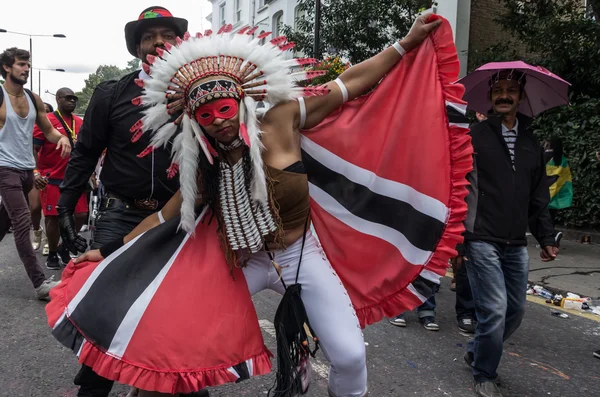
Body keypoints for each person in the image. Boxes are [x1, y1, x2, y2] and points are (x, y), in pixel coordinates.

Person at [47, 14, 469, 397]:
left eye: (226, 108)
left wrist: (405, 43)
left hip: (300, 257)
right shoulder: (203, 158)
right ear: (193, 119)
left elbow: (349, 84)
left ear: (242, 100)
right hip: (236, 263)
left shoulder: (281, 120)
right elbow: (166, 214)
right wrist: (107, 251)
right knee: (173, 333)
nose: (220, 121)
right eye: (207, 115)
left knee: (350, 357)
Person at [55, 7, 194, 397]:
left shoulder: (199, 89)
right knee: (107, 307)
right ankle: (95, 382)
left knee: (177, 308)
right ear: (137, 47)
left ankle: (175, 381)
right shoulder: (112, 93)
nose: (159, 42)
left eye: (167, 34)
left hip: (180, 219)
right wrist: (67, 206)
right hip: (122, 213)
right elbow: (85, 153)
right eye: (149, 37)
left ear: (180, 41)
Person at [456, 70, 559, 397]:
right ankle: (484, 373)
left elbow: (539, 193)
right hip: (480, 236)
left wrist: (545, 236)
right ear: (490, 97)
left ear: (520, 96)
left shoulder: (531, 144)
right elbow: (456, 189)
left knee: (515, 310)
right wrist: (455, 240)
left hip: (516, 241)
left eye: (510, 90)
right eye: (497, 90)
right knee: (495, 309)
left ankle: (476, 348)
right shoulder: (472, 136)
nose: (503, 95)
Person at [0, 47, 71, 299]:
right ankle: (40, 284)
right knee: (22, 223)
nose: (26, 69)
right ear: (7, 68)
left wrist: (61, 137)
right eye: (21, 64)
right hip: (4, 169)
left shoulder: (33, 98)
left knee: (4, 221)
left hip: (26, 170)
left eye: (28, 65)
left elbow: (48, 130)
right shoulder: (0, 95)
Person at [33, 88, 87, 269]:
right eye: (68, 98)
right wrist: (35, 172)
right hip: (52, 178)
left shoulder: (80, 122)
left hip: (75, 179)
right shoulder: (47, 121)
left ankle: (65, 248)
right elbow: (33, 148)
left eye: (75, 98)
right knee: (54, 218)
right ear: (58, 99)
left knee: (80, 215)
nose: (73, 101)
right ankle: (54, 253)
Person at [29, 101, 54, 252]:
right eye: (40, 111)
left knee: (50, 211)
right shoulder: (26, 125)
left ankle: (48, 239)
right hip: (32, 171)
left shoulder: (51, 129)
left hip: (50, 173)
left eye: (46, 111)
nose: (42, 114)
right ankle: (37, 231)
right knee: (35, 207)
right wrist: (35, 171)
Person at [543, 136, 572, 246]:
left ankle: (552, 235)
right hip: (556, 192)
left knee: (541, 217)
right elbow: (565, 177)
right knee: (551, 217)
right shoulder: (562, 159)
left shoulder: (544, 156)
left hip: (544, 192)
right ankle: (552, 240)